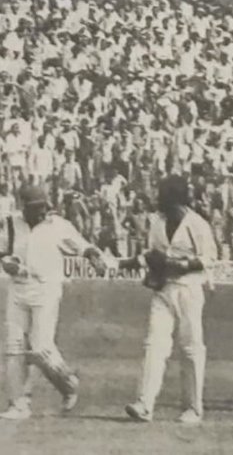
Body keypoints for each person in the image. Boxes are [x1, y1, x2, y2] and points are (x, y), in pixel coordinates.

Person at [0, 185, 107, 420]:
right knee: (13, 348)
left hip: (46, 288)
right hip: (18, 289)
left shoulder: (57, 225)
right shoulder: (11, 223)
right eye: (36, 208)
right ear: (24, 207)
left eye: (44, 206)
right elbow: (3, 251)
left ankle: (69, 384)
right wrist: (9, 263)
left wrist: (95, 257)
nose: (42, 212)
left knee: (40, 348)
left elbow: (83, 245)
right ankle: (19, 405)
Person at [119, 175, 217, 425]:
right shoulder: (157, 221)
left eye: (162, 196)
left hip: (189, 290)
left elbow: (208, 259)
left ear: (173, 198)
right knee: (154, 344)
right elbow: (154, 253)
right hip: (163, 290)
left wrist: (177, 264)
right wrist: (137, 262)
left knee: (191, 348)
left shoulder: (197, 224)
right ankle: (145, 404)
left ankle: (193, 408)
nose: (158, 200)